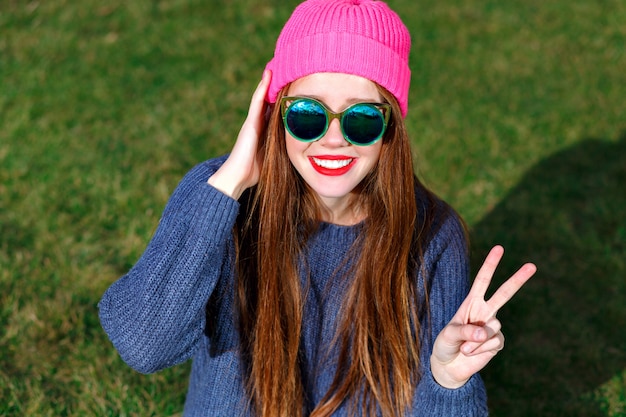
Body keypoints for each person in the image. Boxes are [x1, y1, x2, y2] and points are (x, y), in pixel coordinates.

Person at [98, 0, 537, 416]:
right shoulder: (220, 199)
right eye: (308, 114)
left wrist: (447, 379)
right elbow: (144, 346)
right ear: (273, 115)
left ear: (390, 130)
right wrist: (227, 187)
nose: (332, 138)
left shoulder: (432, 236)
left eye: (361, 118)